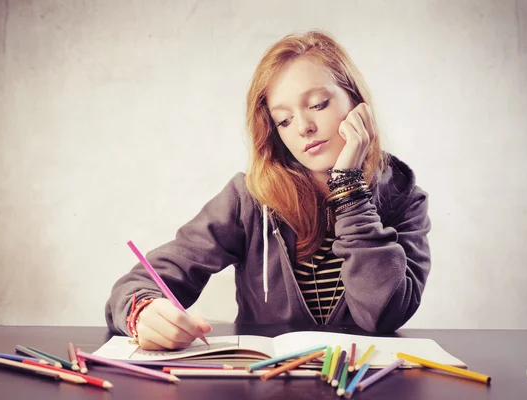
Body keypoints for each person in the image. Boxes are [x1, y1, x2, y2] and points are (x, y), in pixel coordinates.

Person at [105, 30, 431, 351]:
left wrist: (349, 187)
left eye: (318, 104)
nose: (304, 127)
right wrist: (143, 313)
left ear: (357, 103)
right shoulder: (249, 197)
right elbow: (143, 282)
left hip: (359, 381)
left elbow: (383, 316)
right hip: (267, 380)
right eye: (284, 120)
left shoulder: (402, 197)